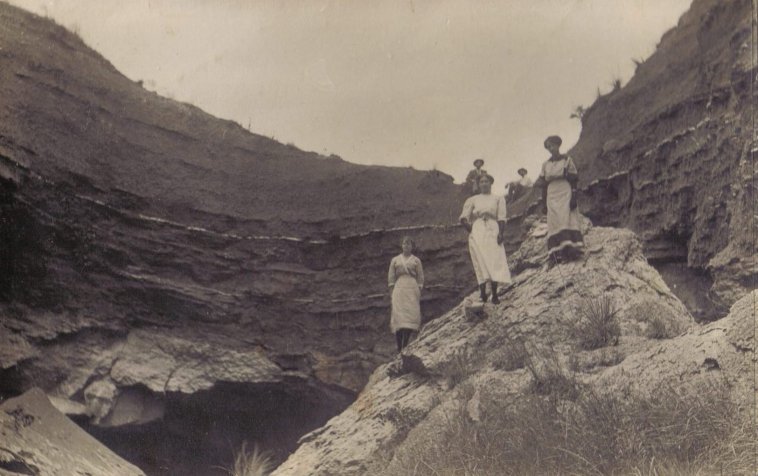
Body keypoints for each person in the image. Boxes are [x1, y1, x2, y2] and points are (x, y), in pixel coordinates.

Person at [459, 174, 512, 304]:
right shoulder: (473, 199)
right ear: (478, 184)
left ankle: (494, 294)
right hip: (478, 230)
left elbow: (501, 217)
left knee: (494, 260)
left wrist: (501, 233)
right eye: (481, 181)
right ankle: (482, 293)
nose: (484, 184)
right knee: (480, 261)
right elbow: (463, 218)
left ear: (491, 183)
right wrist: (471, 230)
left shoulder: (498, 198)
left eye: (486, 181)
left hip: (493, 229)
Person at [535, 135, 584, 262]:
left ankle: (572, 249)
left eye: (552, 145)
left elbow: (574, 180)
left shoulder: (567, 160)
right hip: (551, 194)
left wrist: (574, 196)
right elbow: (543, 185)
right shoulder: (545, 165)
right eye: (548, 147)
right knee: (554, 221)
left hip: (565, 190)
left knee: (567, 218)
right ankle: (558, 252)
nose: (551, 148)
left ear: (558, 145)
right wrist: (544, 203)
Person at [388, 236, 424, 353]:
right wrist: (392, 292)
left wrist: (418, 290)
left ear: (412, 246)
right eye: (404, 244)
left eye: (409, 244)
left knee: (410, 315)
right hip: (399, 290)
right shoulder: (395, 260)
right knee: (399, 317)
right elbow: (391, 278)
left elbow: (420, 277)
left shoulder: (416, 260)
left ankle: (405, 345)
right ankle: (399, 348)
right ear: (401, 246)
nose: (406, 246)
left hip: (411, 289)